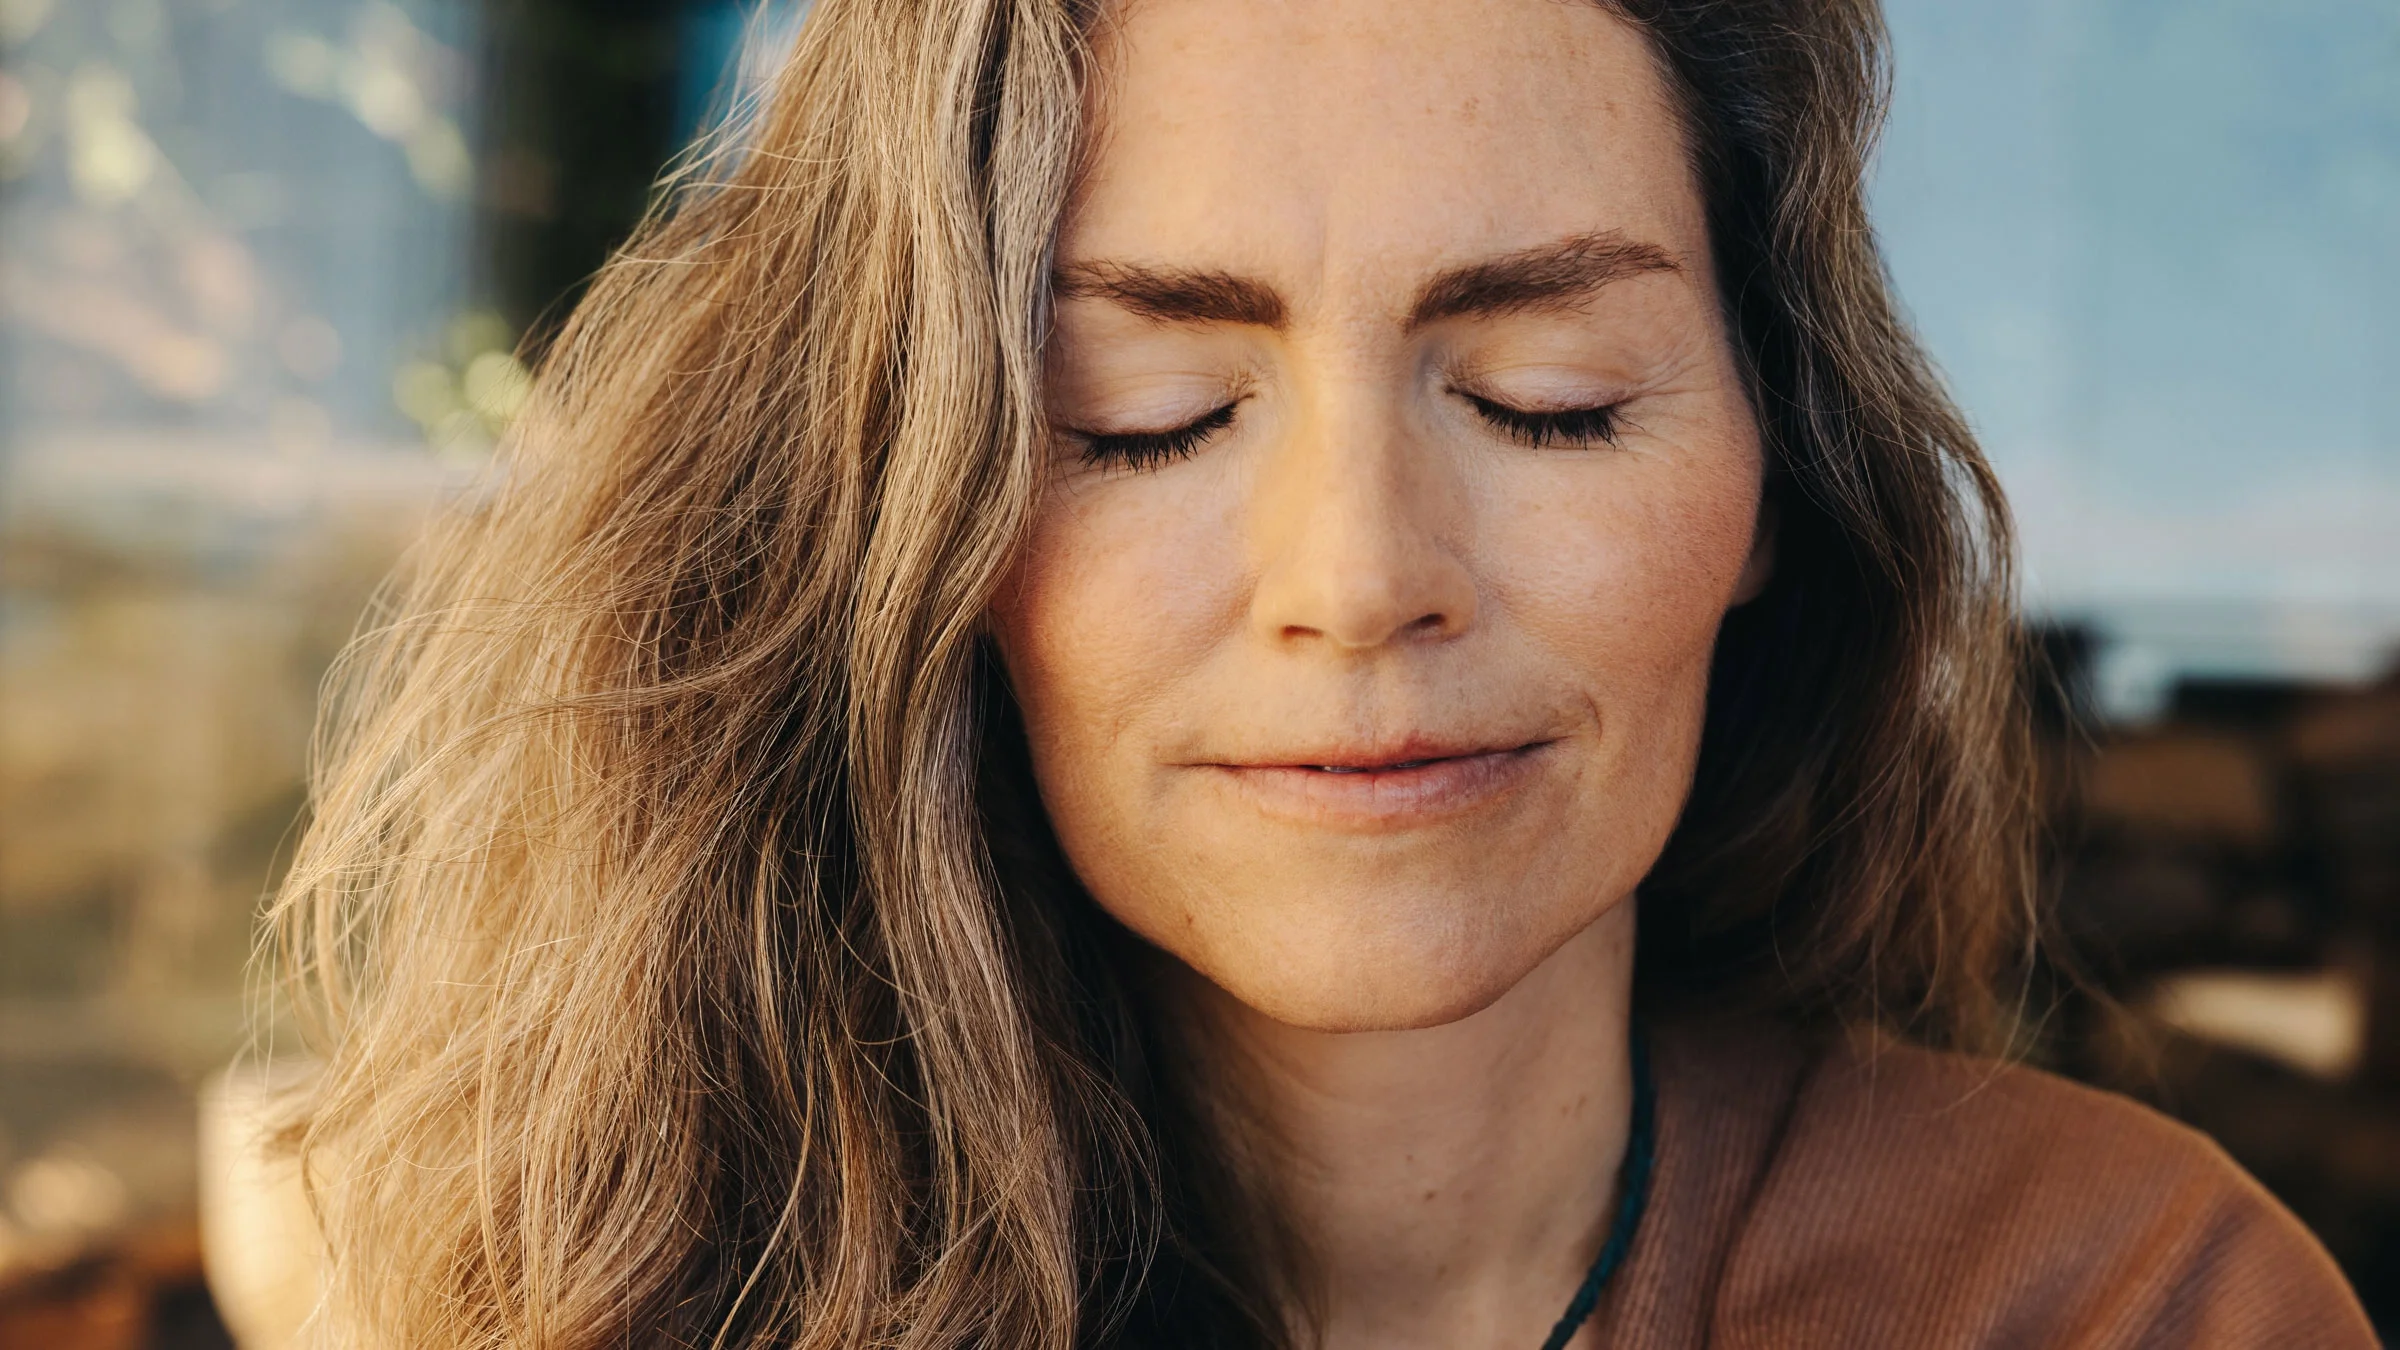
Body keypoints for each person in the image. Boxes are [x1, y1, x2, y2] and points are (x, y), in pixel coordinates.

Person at [264, 0, 2378, 1345]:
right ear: (910, 533)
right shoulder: (613, 1307)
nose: (1360, 580)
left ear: (1772, 488)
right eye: (1148, 414)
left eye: (1552, 402)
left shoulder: (2110, 1305)